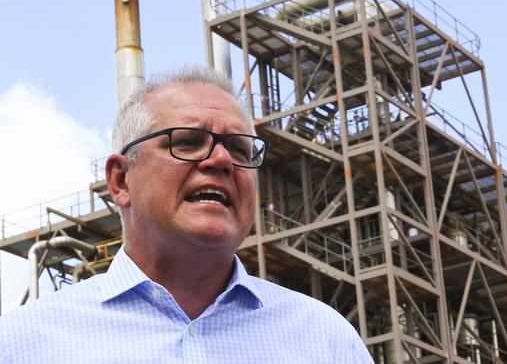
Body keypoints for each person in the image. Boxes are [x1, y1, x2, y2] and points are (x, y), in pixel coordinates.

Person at [0, 66, 373, 363]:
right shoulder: (24, 344)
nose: (223, 160)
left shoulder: (325, 340)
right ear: (120, 180)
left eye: (241, 149)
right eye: (189, 142)